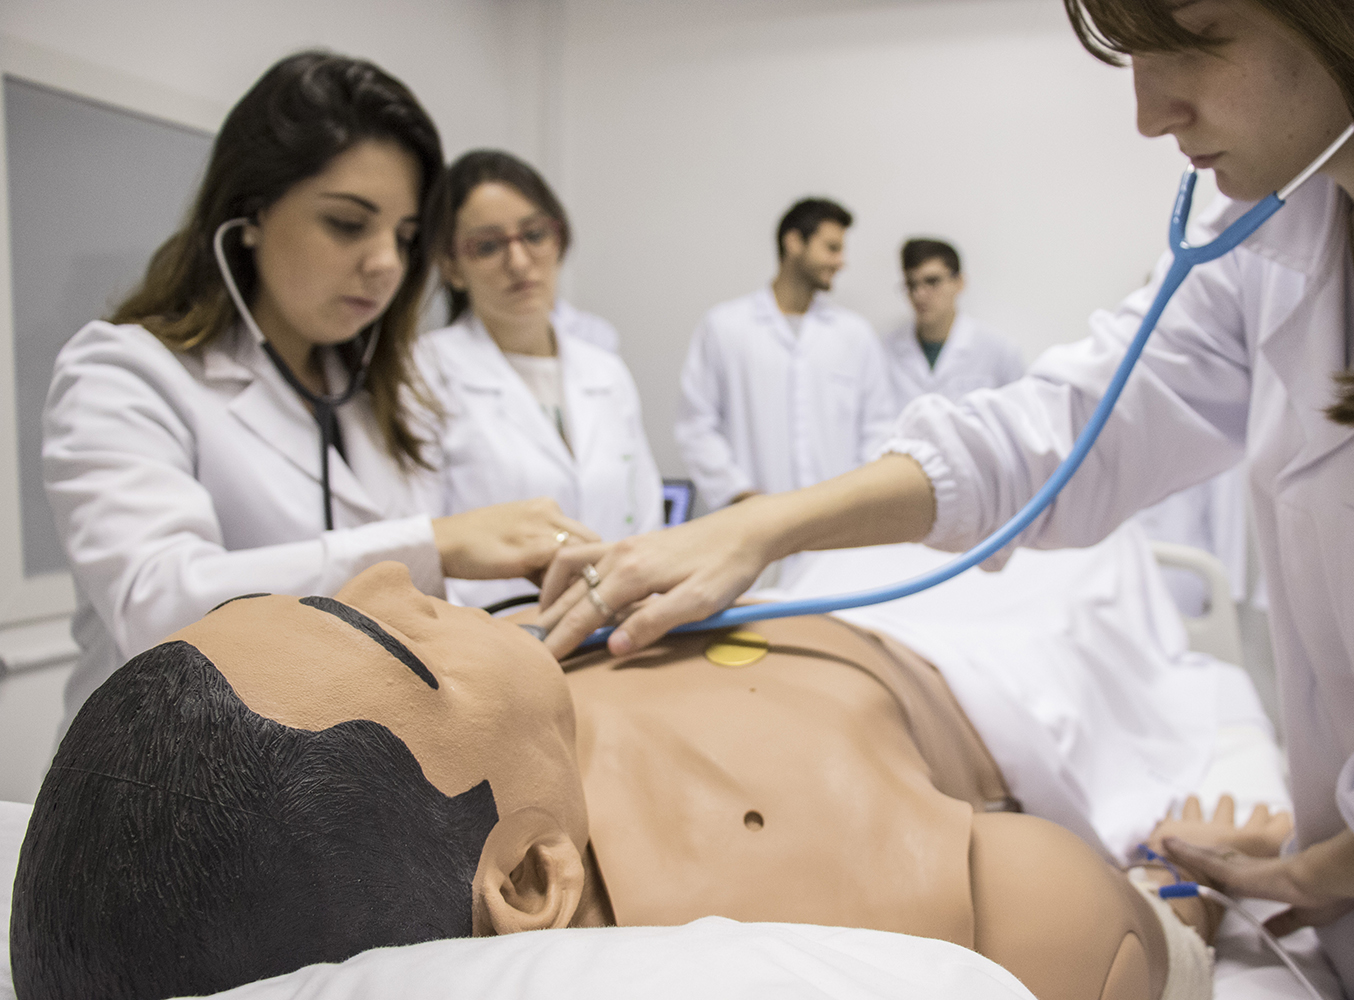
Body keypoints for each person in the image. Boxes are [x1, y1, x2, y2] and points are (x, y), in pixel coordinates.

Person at [535, 2, 1354, 996]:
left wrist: (1287, 876)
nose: (1149, 112)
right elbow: (1065, 430)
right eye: (1133, 55)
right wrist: (763, 527)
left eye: (1194, 41)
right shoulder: (1273, 233)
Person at [11, 560, 1216, 1000]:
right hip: (1026, 653)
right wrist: (1186, 912)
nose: (391, 574)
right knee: (1136, 575)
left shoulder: (514, 766)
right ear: (531, 881)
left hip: (819, 584)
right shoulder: (851, 907)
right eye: (404, 640)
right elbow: (1107, 932)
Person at [41, 53, 596, 731]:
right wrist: (434, 543)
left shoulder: (376, 394)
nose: (386, 263)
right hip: (166, 774)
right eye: (347, 224)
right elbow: (156, 608)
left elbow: (405, 618)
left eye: (405, 236)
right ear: (251, 213)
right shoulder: (125, 372)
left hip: (345, 770)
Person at [419, 150, 662, 611]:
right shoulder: (424, 374)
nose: (519, 261)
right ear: (450, 265)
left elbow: (646, 521)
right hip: (487, 635)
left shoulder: (605, 372)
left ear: (558, 239)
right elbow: (420, 546)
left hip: (619, 628)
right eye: (487, 246)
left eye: (534, 235)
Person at [674, 198, 897, 511]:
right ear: (793, 242)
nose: (840, 262)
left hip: (839, 521)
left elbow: (878, 428)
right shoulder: (725, 327)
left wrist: (855, 496)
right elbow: (696, 426)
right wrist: (739, 494)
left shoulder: (855, 334)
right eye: (832, 248)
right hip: (752, 521)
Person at [884, 238, 1026, 410]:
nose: (919, 294)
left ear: (959, 282)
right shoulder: (885, 352)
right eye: (911, 284)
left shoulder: (999, 351)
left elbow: (1020, 417)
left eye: (932, 281)